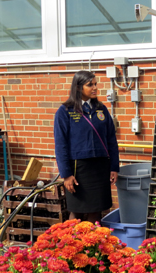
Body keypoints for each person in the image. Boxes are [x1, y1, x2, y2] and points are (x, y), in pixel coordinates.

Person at [54, 70, 119, 224]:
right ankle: (71, 246)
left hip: (100, 167)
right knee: (76, 212)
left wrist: (114, 167)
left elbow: (111, 139)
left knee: (96, 212)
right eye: (90, 85)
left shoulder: (101, 109)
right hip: (78, 169)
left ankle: (93, 246)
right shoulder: (65, 112)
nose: (95, 87)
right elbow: (60, 145)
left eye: (95, 84)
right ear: (78, 88)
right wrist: (66, 174)